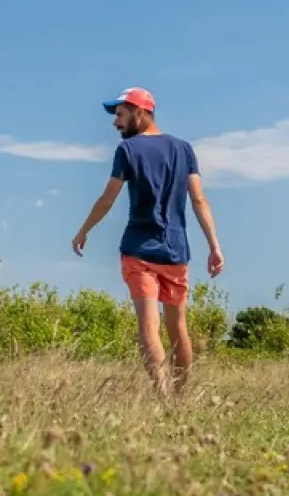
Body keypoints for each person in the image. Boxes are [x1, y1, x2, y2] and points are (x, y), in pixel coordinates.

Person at [72, 87, 223, 395]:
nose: (116, 123)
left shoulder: (127, 151)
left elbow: (107, 199)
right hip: (176, 252)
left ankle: (164, 398)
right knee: (178, 329)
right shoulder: (184, 149)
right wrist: (214, 246)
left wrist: (83, 230)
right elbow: (199, 201)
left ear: (140, 113)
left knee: (148, 327)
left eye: (120, 115)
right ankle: (180, 399)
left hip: (139, 250)